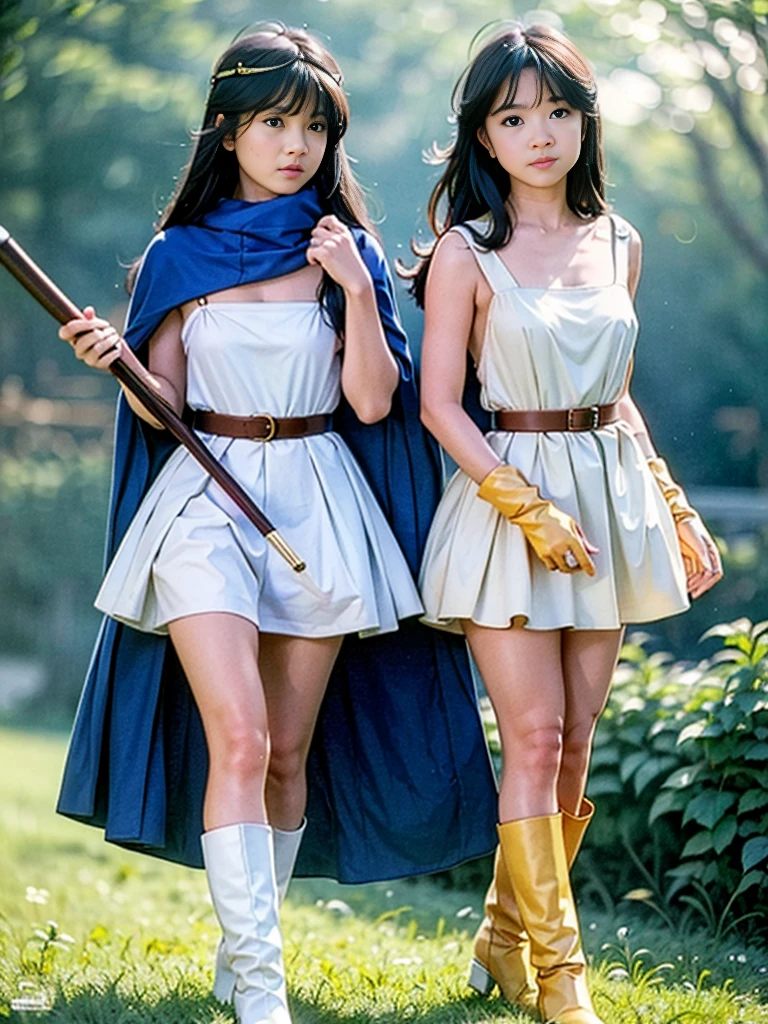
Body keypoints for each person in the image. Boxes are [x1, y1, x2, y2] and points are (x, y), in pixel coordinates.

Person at [55, 23, 497, 1024]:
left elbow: (377, 405)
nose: (294, 145)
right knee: (243, 740)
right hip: (205, 506)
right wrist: (115, 365)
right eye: (271, 122)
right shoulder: (178, 254)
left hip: (316, 495)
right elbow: (160, 403)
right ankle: (262, 988)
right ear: (227, 132)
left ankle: (240, 948)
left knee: (288, 753)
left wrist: (353, 285)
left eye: (312, 126)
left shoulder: (345, 251)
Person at [406, 22, 722, 1024]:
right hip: (511, 500)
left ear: (584, 122)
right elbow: (439, 404)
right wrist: (525, 507)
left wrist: (676, 509)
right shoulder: (467, 251)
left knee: (577, 739)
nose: (539, 132)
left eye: (556, 110)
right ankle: (559, 977)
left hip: (611, 497)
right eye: (513, 116)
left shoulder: (620, 242)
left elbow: (616, 395)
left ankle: (502, 938)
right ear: (484, 137)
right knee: (533, 734)